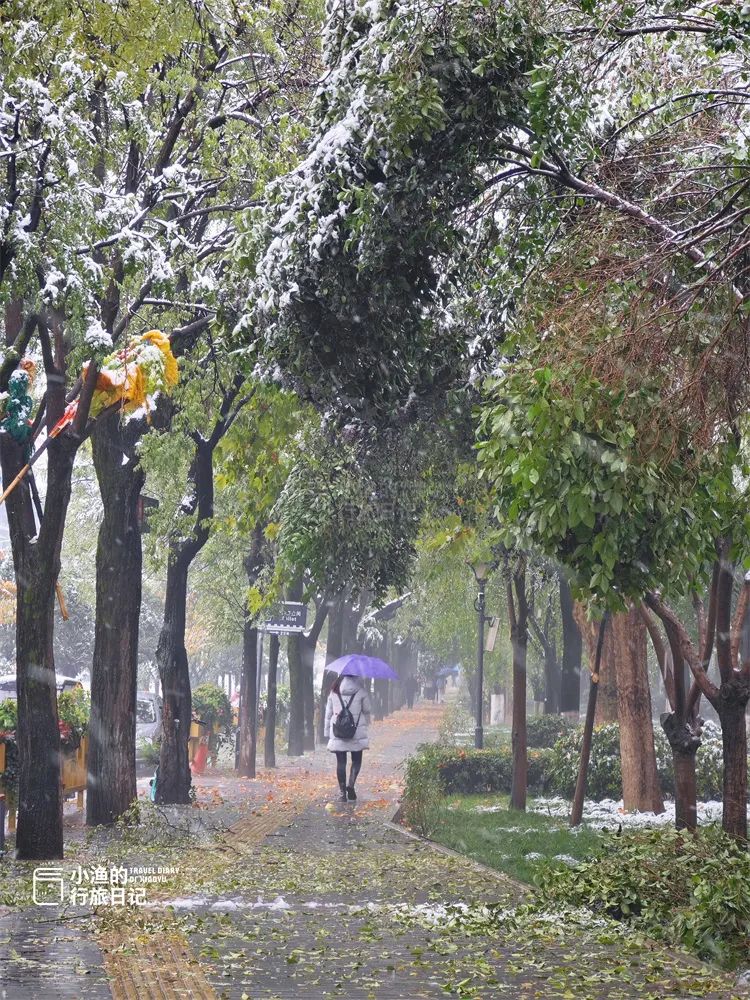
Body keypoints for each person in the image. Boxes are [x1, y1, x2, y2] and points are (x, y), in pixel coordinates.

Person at [324, 673, 372, 802]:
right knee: (356, 760)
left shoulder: (334, 691)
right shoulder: (361, 691)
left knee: (341, 762)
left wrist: (326, 733)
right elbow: (367, 709)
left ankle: (342, 793)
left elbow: (328, 713)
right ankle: (351, 785)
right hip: (355, 731)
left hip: (338, 731)